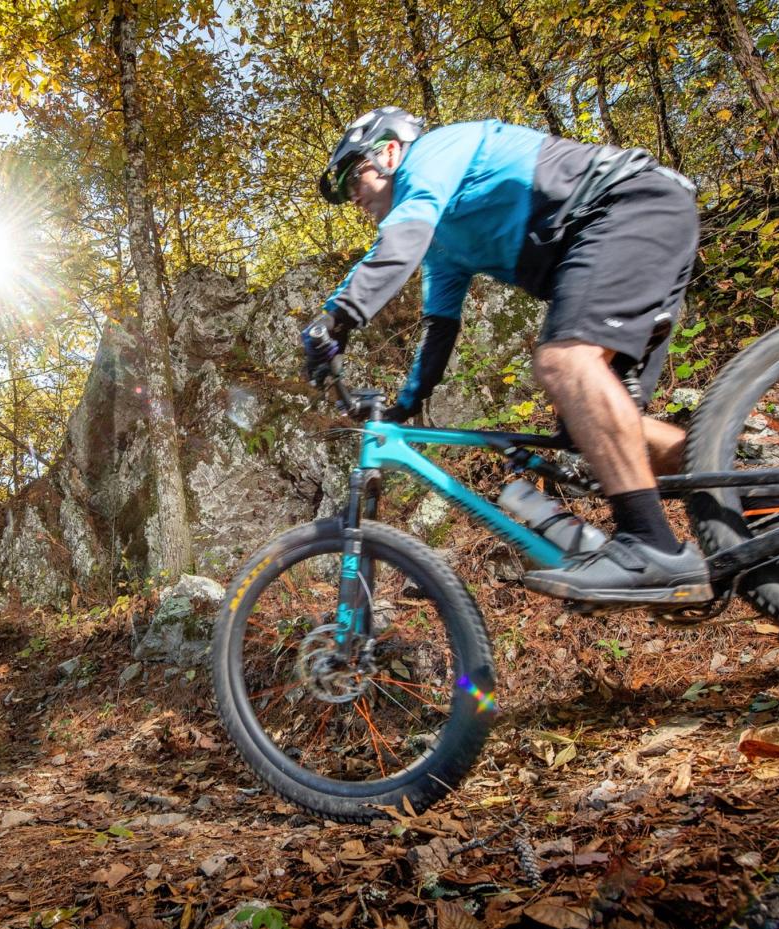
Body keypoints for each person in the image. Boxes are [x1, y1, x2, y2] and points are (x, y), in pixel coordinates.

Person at [301, 106, 711, 606]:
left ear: (389, 152)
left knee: (564, 363)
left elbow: (401, 239)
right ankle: (748, 498)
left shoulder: (434, 153)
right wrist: (406, 404)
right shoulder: (443, 244)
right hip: (627, 229)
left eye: (353, 175)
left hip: (627, 206)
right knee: (590, 425)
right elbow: (439, 328)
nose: (352, 195)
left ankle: (651, 549)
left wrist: (336, 318)